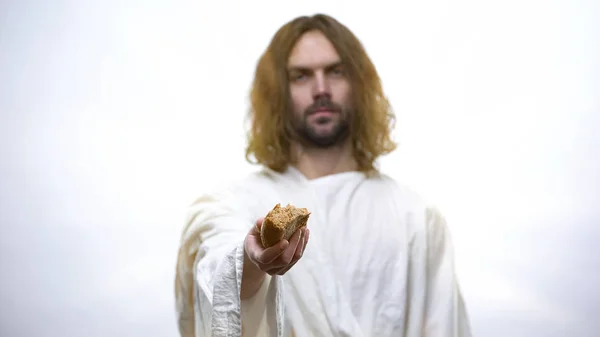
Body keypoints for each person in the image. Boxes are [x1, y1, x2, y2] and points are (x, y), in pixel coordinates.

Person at [174, 13, 471, 337]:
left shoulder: (416, 216)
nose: (321, 89)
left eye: (336, 72)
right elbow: (218, 275)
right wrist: (252, 262)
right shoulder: (236, 203)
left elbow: (443, 326)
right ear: (277, 92)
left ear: (359, 84)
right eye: (301, 76)